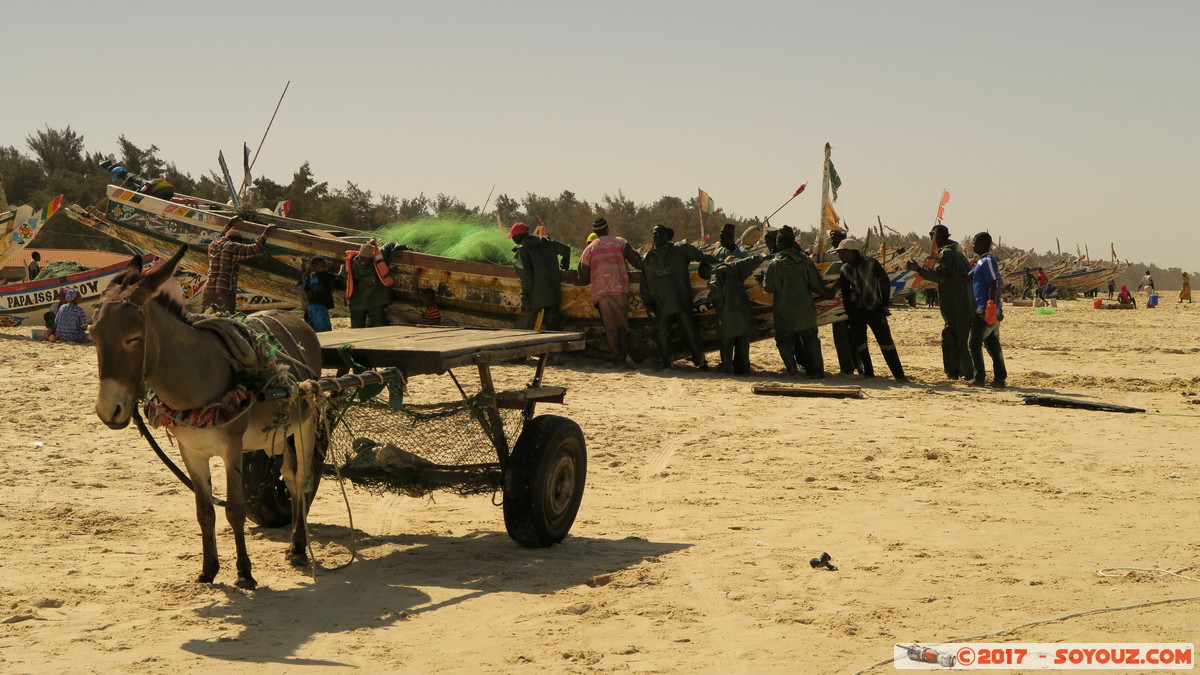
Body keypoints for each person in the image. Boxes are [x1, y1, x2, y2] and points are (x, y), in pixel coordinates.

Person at [640, 224, 716, 370]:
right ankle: (667, 364)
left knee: (689, 331)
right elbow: (644, 285)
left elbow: (701, 256)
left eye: (660, 234)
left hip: (681, 300)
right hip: (661, 303)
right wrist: (648, 305)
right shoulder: (647, 259)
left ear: (667, 236)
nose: (657, 236)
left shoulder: (680, 250)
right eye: (655, 234)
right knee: (663, 335)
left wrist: (720, 262)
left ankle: (700, 361)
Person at [906, 224, 975, 382]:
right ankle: (956, 372)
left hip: (956, 306)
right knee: (953, 338)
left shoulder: (945, 254)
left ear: (937, 239)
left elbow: (940, 276)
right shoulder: (958, 255)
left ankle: (966, 373)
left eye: (932, 238)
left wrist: (918, 270)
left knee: (960, 341)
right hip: (962, 305)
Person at [764, 226, 833, 378]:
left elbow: (769, 288)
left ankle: (792, 370)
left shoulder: (775, 264)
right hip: (805, 309)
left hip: (784, 310)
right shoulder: (805, 261)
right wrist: (829, 293)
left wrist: (762, 279)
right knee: (811, 340)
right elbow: (816, 285)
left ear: (780, 243)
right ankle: (816, 372)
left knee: (784, 341)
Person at [837, 238, 906, 381]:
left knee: (886, 342)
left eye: (841, 253)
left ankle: (899, 375)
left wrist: (884, 303)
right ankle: (868, 372)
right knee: (860, 343)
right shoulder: (844, 269)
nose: (839, 256)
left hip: (875, 309)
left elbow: (884, 281)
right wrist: (849, 311)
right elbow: (845, 291)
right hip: (857, 311)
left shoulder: (871, 263)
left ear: (849, 252)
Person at [577, 217, 643, 367]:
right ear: (607, 229)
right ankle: (625, 354)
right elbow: (637, 261)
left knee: (610, 328)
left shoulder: (590, 248)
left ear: (594, 232)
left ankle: (616, 357)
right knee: (622, 325)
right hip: (620, 288)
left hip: (602, 292)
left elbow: (583, 277)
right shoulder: (620, 242)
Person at [706, 252, 767, 375]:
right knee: (743, 344)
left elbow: (716, 296)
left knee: (726, 342)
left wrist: (718, 309)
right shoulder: (734, 267)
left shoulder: (715, 275)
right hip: (744, 311)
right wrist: (763, 256)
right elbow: (750, 261)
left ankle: (726, 367)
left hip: (728, 313)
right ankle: (743, 368)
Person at [204, 217, 275, 313]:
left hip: (208, 289)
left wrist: (229, 223)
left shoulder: (213, 244)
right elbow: (255, 248)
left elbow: (221, 235)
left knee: (205, 316)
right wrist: (267, 231)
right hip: (224, 291)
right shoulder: (233, 247)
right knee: (226, 317)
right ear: (236, 241)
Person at [509, 222, 571, 331]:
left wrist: (525, 300)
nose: (512, 239)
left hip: (535, 298)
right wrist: (564, 266)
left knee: (523, 329)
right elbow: (566, 249)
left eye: (513, 236)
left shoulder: (522, 250)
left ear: (519, 236)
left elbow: (526, 279)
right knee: (553, 328)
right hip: (553, 293)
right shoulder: (547, 241)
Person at [967, 232, 1007, 388]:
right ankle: (999, 379)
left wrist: (990, 305)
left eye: (975, 242)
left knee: (974, 343)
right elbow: (966, 277)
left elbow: (993, 282)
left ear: (983, 244)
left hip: (986, 309)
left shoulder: (988, 260)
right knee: (992, 344)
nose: (973, 245)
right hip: (988, 308)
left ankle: (979, 378)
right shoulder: (980, 262)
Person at [825, 229, 860, 375]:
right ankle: (847, 367)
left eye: (837, 236)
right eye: (832, 236)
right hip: (836, 303)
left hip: (853, 300)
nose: (833, 238)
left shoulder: (853, 255)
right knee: (840, 334)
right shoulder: (827, 255)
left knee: (856, 334)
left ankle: (859, 364)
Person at [345, 238, 393, 328]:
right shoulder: (352, 264)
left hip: (375, 299)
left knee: (380, 327)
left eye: (366, 259)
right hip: (358, 300)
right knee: (357, 328)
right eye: (362, 257)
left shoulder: (377, 261)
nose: (363, 260)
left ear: (371, 257)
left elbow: (389, 245)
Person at [299, 255, 343, 332]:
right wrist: (342, 268)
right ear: (315, 267)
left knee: (314, 327)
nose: (325, 267)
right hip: (321, 306)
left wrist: (309, 302)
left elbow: (305, 290)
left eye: (325, 265)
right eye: (323, 266)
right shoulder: (326, 275)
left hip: (311, 306)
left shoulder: (310, 276)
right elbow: (337, 279)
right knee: (324, 328)